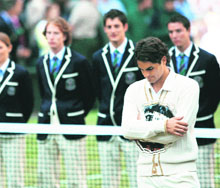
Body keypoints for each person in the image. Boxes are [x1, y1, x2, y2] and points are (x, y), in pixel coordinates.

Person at [122, 37, 200, 187]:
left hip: (181, 176)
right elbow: (127, 130)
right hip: (145, 176)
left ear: (163, 60)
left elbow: (174, 134)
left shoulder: (188, 86)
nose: (145, 74)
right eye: (141, 69)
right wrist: (164, 125)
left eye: (150, 68)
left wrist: (141, 129)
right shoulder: (133, 90)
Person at [36, 16, 95, 187]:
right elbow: (44, 93)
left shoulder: (79, 61)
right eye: (49, 33)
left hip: (72, 124)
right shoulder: (41, 62)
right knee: (46, 176)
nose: (52, 37)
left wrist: (74, 112)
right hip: (46, 124)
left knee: (76, 176)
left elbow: (89, 95)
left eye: (56, 33)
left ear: (64, 35)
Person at [167, 14, 220, 188]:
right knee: (177, 179)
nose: (174, 35)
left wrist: (195, 118)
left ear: (188, 30)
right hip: (174, 132)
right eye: (171, 32)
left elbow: (214, 95)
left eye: (178, 31)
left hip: (202, 129)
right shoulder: (164, 60)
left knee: (204, 179)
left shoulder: (207, 60)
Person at [92, 9, 142, 188]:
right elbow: (97, 90)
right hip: (106, 125)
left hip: (132, 126)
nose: (113, 30)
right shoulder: (98, 57)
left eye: (116, 26)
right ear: (105, 29)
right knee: (109, 180)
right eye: (109, 27)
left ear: (125, 27)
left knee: (136, 178)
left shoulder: (138, 53)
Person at [0, 32, 34, 187]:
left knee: (15, 180)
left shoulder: (20, 73)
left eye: (0, 47)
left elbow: (27, 104)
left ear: (9, 48)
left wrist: (16, 122)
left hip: (12, 132)